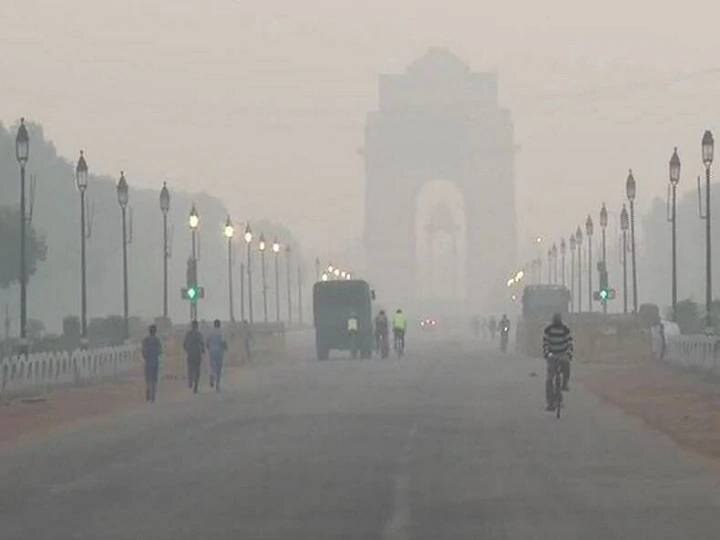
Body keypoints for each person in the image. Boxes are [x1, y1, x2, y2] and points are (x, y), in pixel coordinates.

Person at [543, 313, 573, 411]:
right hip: (552, 355)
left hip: (562, 354)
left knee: (567, 367)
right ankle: (550, 402)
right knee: (549, 380)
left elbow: (569, 343)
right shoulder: (548, 330)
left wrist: (568, 354)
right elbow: (545, 343)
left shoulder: (565, 329)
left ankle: (564, 384)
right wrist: (547, 353)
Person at [141, 324, 162, 402]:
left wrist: (146, 356)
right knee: (154, 379)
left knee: (148, 379)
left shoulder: (145, 340)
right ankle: (153, 395)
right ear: (155, 331)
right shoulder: (157, 340)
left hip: (148, 362)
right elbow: (160, 351)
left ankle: (149, 391)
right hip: (155, 362)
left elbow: (143, 352)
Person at [183, 320, 205, 394]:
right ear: (197, 326)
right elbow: (202, 344)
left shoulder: (188, 334)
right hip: (197, 354)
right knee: (197, 371)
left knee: (190, 369)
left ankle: (190, 381)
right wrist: (203, 350)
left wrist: (187, 350)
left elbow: (184, 344)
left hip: (190, 354)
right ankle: (195, 385)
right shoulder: (199, 334)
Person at [206, 319, 228, 392]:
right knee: (219, 368)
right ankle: (217, 384)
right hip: (219, 352)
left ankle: (212, 375)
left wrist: (209, 348)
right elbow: (223, 342)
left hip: (212, 351)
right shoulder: (221, 332)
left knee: (212, 366)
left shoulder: (210, 332)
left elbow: (207, 342)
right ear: (219, 324)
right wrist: (226, 348)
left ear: (214, 324)